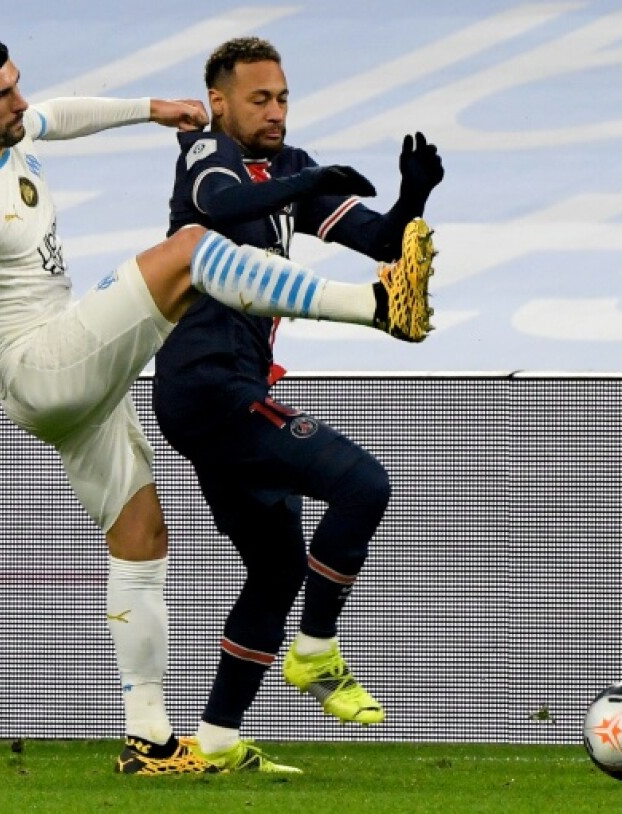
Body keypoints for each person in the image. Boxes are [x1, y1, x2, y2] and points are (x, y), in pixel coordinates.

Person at [0, 33, 434, 777]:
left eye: (16, 84)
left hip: (70, 379)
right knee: (190, 248)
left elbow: (58, 116)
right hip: (44, 363)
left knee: (142, 538)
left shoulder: (13, 132)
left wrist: (150, 110)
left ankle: (151, 739)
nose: (19, 102)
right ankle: (379, 306)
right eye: (1, 96)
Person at [152, 37, 443, 773]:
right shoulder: (204, 154)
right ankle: (315, 651)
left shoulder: (287, 168)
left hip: (236, 390)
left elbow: (377, 238)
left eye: (282, 97)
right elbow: (223, 205)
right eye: (260, 99)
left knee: (275, 567)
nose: (276, 111)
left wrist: (413, 198)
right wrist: (302, 181)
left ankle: (215, 741)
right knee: (362, 483)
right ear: (219, 102)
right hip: (206, 387)